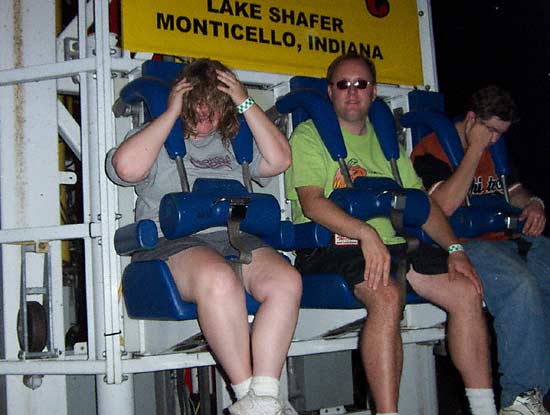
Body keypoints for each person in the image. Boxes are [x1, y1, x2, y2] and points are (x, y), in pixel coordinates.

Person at [285, 52, 499, 415]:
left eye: (361, 84)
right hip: (335, 246)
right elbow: (313, 204)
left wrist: (456, 249)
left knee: (466, 291)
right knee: (386, 294)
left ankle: (484, 408)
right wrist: (366, 235)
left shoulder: (388, 144)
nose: (352, 92)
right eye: (343, 85)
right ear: (330, 91)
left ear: (374, 91)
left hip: (396, 244)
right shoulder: (309, 136)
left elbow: (423, 206)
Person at [106, 58, 302, 415]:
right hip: (174, 244)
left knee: (287, 280)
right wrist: (169, 114)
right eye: (195, 101)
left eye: (213, 102)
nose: (203, 112)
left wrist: (245, 101)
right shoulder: (157, 137)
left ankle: (263, 396)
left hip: (234, 239)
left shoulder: (234, 144)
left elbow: (280, 160)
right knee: (219, 279)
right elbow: (125, 168)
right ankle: (251, 398)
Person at [411, 84, 550, 415]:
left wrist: (532, 204)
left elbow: (512, 190)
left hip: (505, 239)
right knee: (520, 285)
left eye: (501, 133)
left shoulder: (493, 147)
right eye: (491, 131)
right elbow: (442, 206)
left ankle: (538, 390)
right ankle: (518, 398)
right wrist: (473, 151)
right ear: (472, 119)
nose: (495, 140)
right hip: (462, 245)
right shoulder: (431, 150)